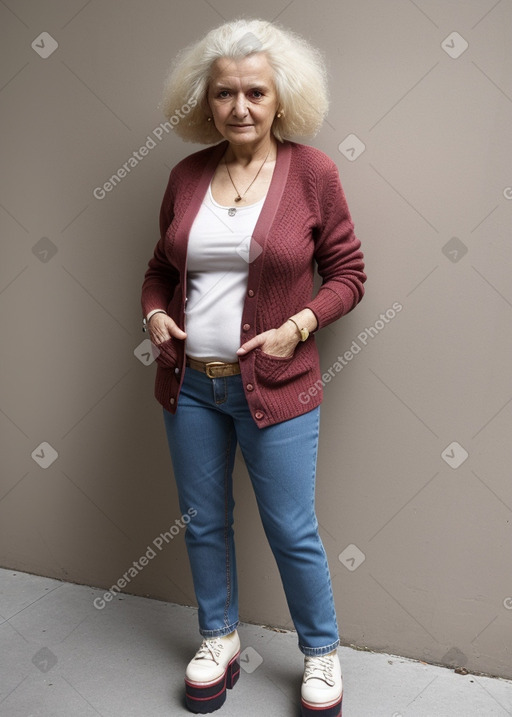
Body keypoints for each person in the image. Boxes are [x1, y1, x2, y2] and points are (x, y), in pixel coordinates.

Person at [141, 18, 366, 716]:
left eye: (256, 93)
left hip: (277, 388)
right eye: (225, 93)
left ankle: (321, 653)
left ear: (280, 100)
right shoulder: (185, 176)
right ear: (203, 101)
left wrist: (298, 326)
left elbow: (350, 274)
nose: (240, 107)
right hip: (191, 386)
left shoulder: (314, 173)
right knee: (203, 520)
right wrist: (154, 315)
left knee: (290, 526)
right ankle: (219, 637)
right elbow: (157, 271)